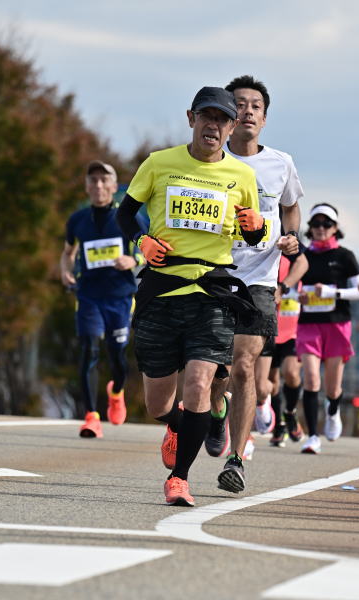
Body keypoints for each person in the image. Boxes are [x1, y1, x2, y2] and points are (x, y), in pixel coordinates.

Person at [117, 86, 265, 506]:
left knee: (199, 383)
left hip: (211, 292)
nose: (213, 126)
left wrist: (256, 227)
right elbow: (124, 214)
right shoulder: (159, 163)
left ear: (231, 128)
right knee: (158, 404)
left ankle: (179, 478)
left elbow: (251, 234)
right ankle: (184, 423)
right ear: (191, 119)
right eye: (206, 116)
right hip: (162, 290)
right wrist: (142, 241)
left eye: (222, 120)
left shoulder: (242, 176)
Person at [203, 75, 303, 494]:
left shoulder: (281, 163)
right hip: (214, 274)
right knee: (216, 370)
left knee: (245, 366)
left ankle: (236, 459)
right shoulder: (209, 162)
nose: (247, 111)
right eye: (239, 104)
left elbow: (291, 208)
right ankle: (216, 412)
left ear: (264, 118)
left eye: (255, 106)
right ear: (228, 115)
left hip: (260, 278)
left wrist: (291, 237)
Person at [60, 160, 145, 438]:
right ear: (86, 186)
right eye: (92, 180)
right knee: (89, 350)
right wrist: (65, 271)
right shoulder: (77, 220)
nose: (98, 185)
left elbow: (148, 250)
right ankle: (91, 417)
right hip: (88, 296)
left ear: (113, 185)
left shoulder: (127, 218)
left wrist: (132, 260)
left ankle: (116, 392)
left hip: (120, 297)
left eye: (103, 179)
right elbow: (68, 253)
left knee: (117, 356)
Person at [297, 203, 359, 454]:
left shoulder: (345, 256)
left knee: (333, 387)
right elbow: (289, 288)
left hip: (337, 323)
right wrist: (297, 296)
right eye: (316, 223)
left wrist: (331, 293)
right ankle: (312, 436)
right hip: (308, 324)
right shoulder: (303, 256)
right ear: (310, 228)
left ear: (335, 228)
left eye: (326, 224)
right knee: (311, 378)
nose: (321, 228)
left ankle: (333, 409)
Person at [268, 251, 308, 448]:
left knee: (291, 373)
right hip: (269, 330)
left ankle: (290, 412)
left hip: (293, 332)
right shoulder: (270, 260)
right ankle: (278, 425)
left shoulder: (300, 264)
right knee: (272, 382)